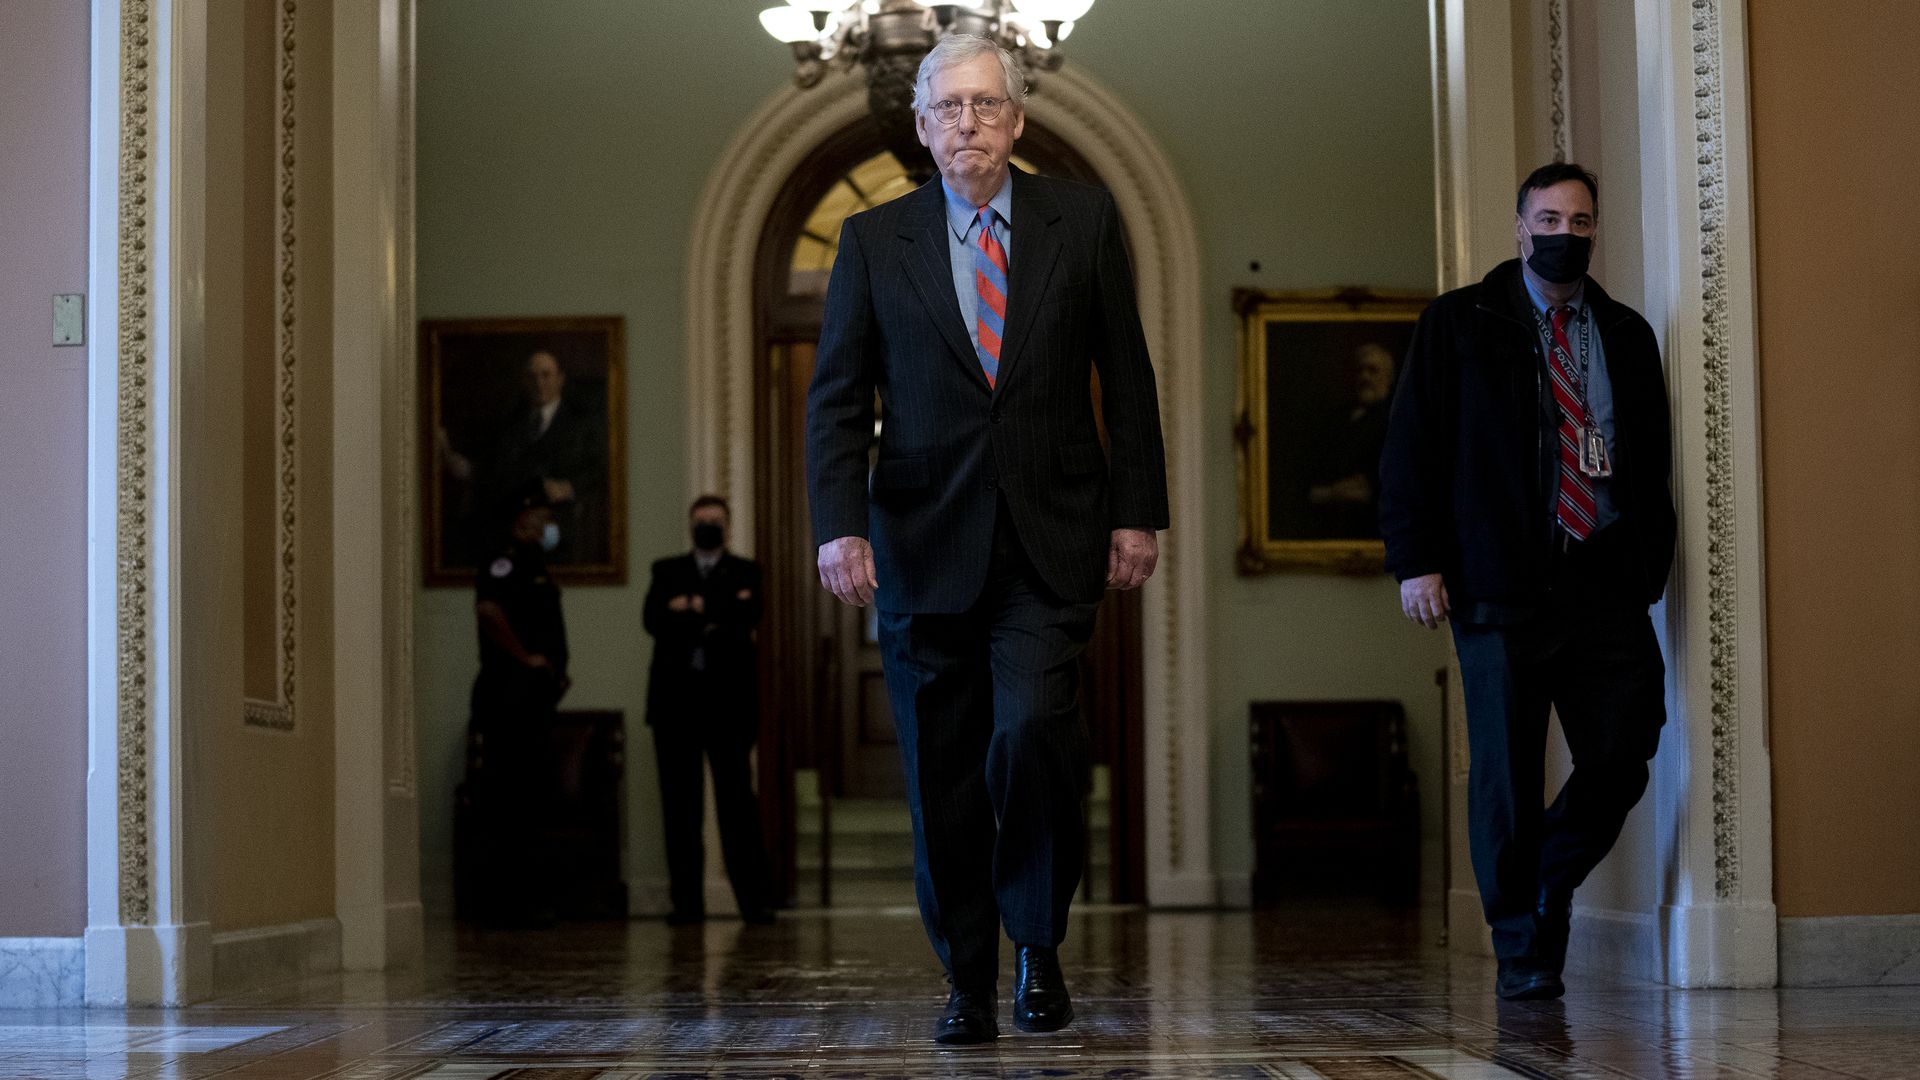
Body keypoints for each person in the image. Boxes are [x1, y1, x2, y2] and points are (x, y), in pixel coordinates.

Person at [805, 34, 1169, 1045]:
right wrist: (838, 527)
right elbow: (837, 401)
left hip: (1052, 542)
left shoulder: (1082, 222)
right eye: (948, 109)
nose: (967, 123)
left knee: (1031, 737)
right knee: (943, 777)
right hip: (922, 546)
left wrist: (1137, 509)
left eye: (984, 105)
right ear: (922, 129)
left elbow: (1127, 378)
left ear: (1017, 120)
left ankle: (1036, 942)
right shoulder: (874, 242)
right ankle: (967, 977)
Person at [1379, 163, 1676, 1001]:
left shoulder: (1623, 332)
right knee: (1505, 775)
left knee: (1625, 747)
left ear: (1594, 230)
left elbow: (1647, 461)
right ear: (1519, 227)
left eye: (1580, 221)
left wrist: (1648, 562)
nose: (1564, 234)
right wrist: (1417, 560)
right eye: (1549, 218)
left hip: (1603, 580)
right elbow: (1411, 449)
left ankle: (1546, 873)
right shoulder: (1459, 323)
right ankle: (1522, 951)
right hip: (1495, 583)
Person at [641, 495, 774, 926]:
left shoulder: (747, 571)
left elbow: (747, 614)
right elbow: (654, 619)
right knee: (680, 811)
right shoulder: (666, 570)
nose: (708, 527)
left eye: (715, 521)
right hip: (674, 708)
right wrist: (717, 609)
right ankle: (686, 906)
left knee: (738, 807)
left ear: (729, 525)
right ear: (690, 525)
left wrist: (693, 606)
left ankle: (754, 904)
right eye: (701, 521)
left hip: (729, 708)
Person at [468, 481, 572, 926]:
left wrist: (553, 671)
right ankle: (501, 903)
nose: (550, 525)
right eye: (543, 517)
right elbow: (489, 612)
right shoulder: (504, 559)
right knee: (506, 798)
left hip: (533, 698)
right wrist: (527, 659)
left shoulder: (535, 562)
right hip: (507, 696)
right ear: (523, 519)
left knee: (531, 797)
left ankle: (528, 902)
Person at [1304, 341, 1396, 538]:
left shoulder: (1396, 422)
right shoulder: (1335, 420)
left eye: (1373, 370)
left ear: (1388, 378)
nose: (1364, 377)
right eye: (1360, 370)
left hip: (1372, 529)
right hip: (1326, 527)